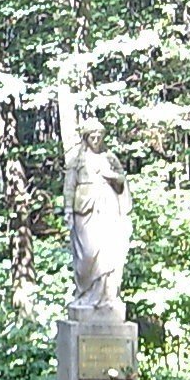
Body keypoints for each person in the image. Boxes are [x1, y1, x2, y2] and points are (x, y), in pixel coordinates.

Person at [64, 119, 132, 311]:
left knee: (109, 252)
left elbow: (122, 182)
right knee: (87, 254)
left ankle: (108, 296)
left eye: (99, 136)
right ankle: (85, 294)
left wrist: (112, 177)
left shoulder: (109, 158)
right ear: (86, 137)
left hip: (108, 207)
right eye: (92, 136)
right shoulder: (77, 160)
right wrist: (68, 210)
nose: (96, 139)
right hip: (85, 210)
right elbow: (69, 187)